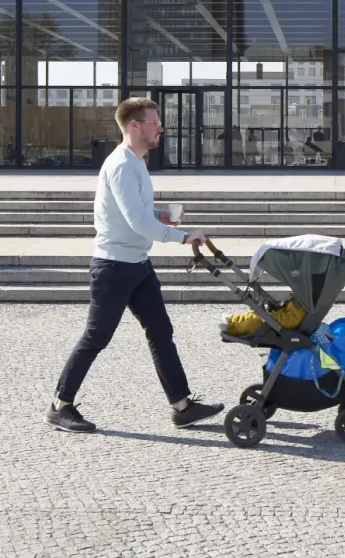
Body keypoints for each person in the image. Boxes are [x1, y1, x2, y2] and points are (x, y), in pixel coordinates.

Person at [50, 97, 224, 435]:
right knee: (96, 337)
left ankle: (182, 406)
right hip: (114, 267)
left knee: (161, 332)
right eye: (154, 122)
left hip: (138, 265)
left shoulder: (137, 163)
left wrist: (160, 214)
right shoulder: (121, 166)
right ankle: (60, 406)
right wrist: (183, 236)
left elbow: (139, 213)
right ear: (134, 125)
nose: (160, 128)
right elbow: (138, 224)